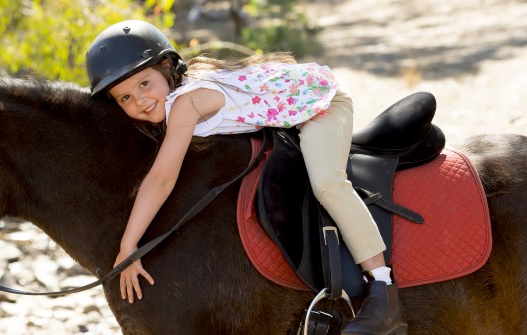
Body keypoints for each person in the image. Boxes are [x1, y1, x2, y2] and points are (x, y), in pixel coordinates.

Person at [85, 20, 407, 334]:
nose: (139, 100)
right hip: (289, 115)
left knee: (327, 182)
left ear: (168, 67)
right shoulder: (176, 98)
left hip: (320, 104)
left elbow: (162, 178)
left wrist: (128, 244)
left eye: (144, 84)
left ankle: (382, 289)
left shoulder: (187, 102)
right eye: (124, 97)